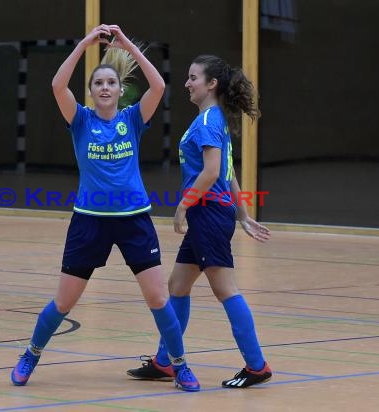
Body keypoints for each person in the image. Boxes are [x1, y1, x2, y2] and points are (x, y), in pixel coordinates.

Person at [10, 24, 200, 392]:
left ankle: (180, 366)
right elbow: (56, 85)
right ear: (92, 91)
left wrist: (126, 43)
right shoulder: (80, 120)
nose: (105, 88)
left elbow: (158, 86)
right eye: (99, 83)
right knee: (64, 301)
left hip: (133, 221)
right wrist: (83, 44)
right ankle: (30, 354)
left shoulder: (132, 119)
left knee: (159, 298)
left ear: (120, 89)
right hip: (90, 223)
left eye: (111, 83)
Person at [126, 54, 273, 388]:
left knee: (225, 289)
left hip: (206, 213)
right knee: (177, 286)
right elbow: (228, 173)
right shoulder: (213, 119)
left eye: (193, 77)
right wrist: (244, 214)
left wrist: (183, 205)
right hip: (211, 212)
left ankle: (256, 366)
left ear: (212, 84)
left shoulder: (208, 121)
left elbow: (210, 173)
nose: (187, 83)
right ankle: (166, 361)